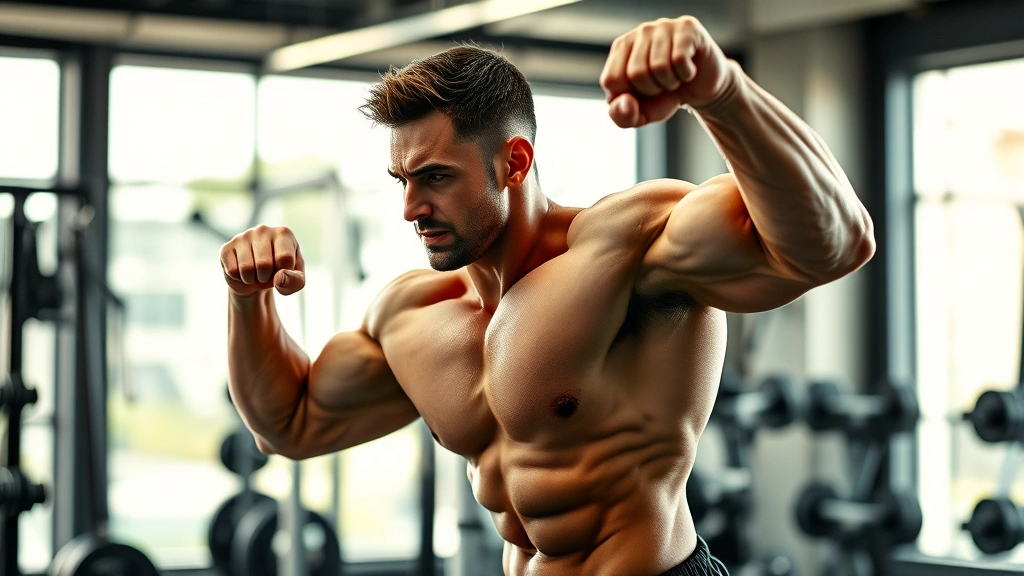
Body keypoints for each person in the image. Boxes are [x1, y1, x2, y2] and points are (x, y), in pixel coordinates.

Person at [220, 14, 874, 576]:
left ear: (514, 162)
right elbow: (291, 425)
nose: (411, 209)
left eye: (436, 178)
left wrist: (723, 92)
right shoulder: (411, 313)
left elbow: (837, 243)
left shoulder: (626, 247)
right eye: (401, 180)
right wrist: (248, 301)